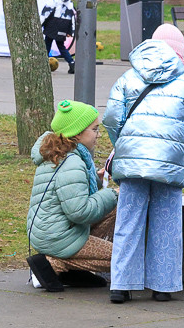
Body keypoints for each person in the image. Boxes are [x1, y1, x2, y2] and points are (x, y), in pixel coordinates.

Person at [104, 37, 184, 303]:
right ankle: (163, 286)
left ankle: (121, 284)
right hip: (170, 161)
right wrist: (181, 150)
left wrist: (124, 145)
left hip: (133, 161)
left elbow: (112, 118)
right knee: (167, 222)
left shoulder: (127, 77)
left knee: (128, 221)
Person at [26, 100, 118, 293]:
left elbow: (73, 194)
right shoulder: (72, 163)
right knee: (126, 258)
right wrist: (111, 194)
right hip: (58, 236)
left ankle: (67, 267)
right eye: (94, 129)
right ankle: (50, 265)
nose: (98, 134)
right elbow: (80, 212)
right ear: (77, 133)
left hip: (50, 230)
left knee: (114, 208)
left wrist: (96, 180)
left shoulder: (62, 153)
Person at [41, 0, 76, 74]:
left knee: (47, 43)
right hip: (63, 25)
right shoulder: (69, 1)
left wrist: (40, 23)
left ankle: (42, 64)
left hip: (53, 24)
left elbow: (47, 11)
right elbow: (71, 16)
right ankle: (72, 63)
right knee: (61, 46)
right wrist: (71, 31)